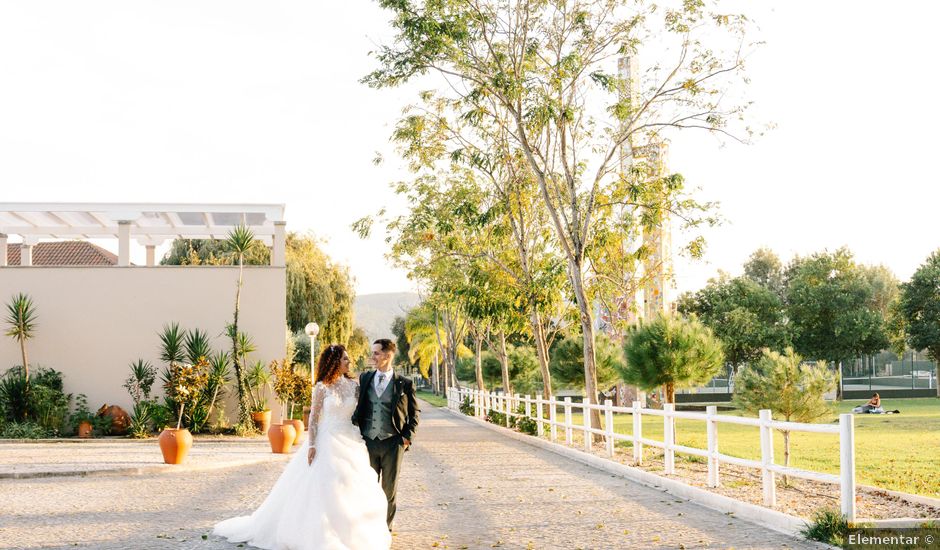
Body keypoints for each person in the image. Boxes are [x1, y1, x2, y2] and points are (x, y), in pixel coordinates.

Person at [213, 345, 391, 550]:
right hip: (327, 440)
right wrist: (312, 445)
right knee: (327, 482)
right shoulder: (322, 387)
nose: (348, 362)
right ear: (334, 362)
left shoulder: (354, 386)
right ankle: (322, 531)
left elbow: (362, 412)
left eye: (348, 359)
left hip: (350, 439)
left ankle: (354, 530)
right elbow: (314, 418)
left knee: (351, 483)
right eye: (344, 359)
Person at [352, 338, 420, 531]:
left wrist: (407, 437)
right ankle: (367, 529)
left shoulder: (404, 383)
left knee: (388, 490)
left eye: (376, 353)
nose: (372, 357)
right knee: (367, 487)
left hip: (393, 443)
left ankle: (385, 530)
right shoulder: (365, 378)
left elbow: (415, 413)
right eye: (373, 353)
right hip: (368, 442)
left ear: (388, 355)